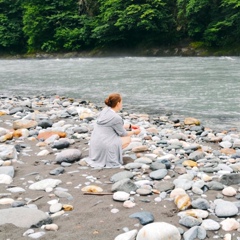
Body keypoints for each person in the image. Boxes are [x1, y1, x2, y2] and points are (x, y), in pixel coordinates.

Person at [85, 93, 141, 168]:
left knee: (116, 136)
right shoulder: (116, 117)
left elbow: (113, 126)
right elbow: (123, 134)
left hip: (95, 143)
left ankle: (109, 152)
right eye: (121, 102)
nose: (122, 104)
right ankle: (111, 154)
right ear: (118, 103)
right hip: (104, 145)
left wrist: (130, 126)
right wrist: (135, 132)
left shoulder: (105, 111)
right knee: (127, 139)